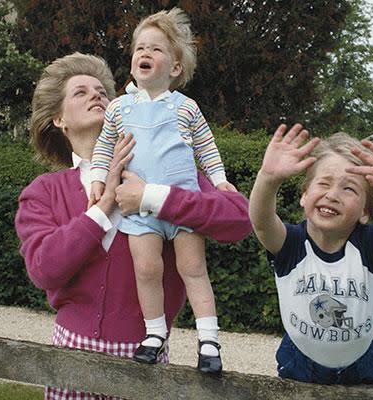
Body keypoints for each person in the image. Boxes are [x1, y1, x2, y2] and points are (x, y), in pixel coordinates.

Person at [15, 52, 252, 399]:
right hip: (69, 358)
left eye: (101, 91)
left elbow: (239, 219)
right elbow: (44, 270)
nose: (97, 95)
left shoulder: (172, 174)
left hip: (145, 365)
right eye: (80, 92)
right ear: (58, 120)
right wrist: (106, 202)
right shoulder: (43, 192)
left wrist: (153, 197)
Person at [88, 8, 234, 374]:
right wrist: (99, 180)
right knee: (147, 269)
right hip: (140, 212)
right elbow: (105, 147)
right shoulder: (119, 108)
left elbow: (206, 147)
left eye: (155, 49)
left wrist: (218, 180)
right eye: (139, 48)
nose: (144, 54)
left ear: (175, 68)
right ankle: (154, 335)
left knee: (193, 269)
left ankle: (209, 340)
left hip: (183, 206)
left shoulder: (186, 107)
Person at [248, 124, 373, 385]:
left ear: (365, 212)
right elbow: (261, 222)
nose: (332, 195)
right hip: (300, 362)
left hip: (362, 363)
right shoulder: (291, 244)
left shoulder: (371, 246)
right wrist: (268, 178)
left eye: (349, 189)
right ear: (304, 195)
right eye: (323, 183)